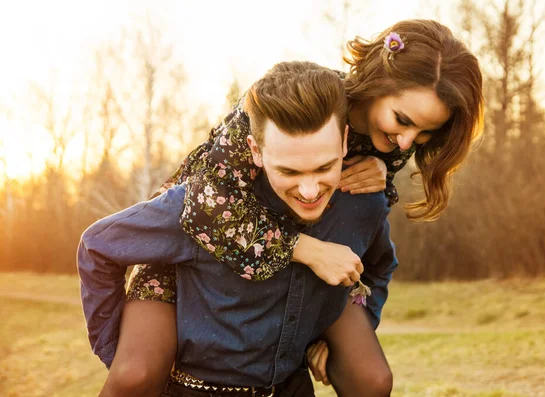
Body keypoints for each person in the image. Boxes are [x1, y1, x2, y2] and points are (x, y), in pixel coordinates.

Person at [81, 18, 484, 397]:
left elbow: (367, 225)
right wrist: (305, 249)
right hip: (199, 231)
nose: (407, 142)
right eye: (403, 120)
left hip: (297, 265)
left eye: (426, 133)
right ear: (380, 81)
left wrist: (324, 327)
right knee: (135, 372)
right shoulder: (293, 104)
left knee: (369, 372)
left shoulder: (390, 140)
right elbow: (209, 208)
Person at [79, 61, 399, 397]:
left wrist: (333, 330)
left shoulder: (363, 205)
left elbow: (377, 269)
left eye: (324, 167)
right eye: (289, 172)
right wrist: (116, 351)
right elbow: (97, 246)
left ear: (345, 143)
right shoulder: (203, 207)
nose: (309, 190)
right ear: (255, 151)